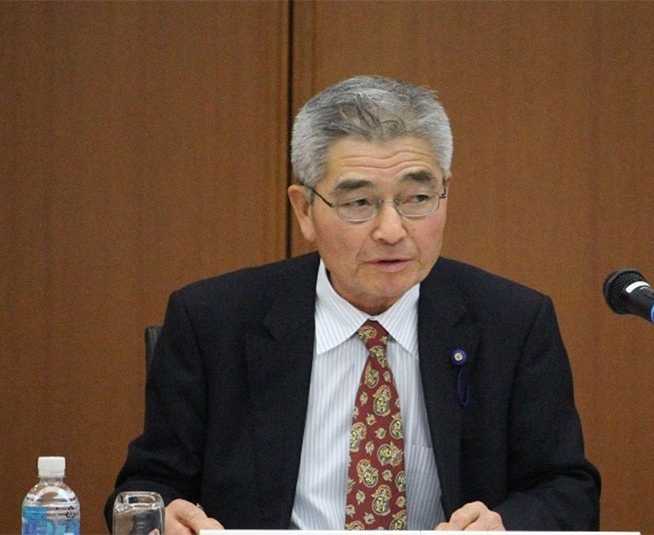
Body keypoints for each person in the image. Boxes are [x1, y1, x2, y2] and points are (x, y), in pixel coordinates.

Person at [105, 75, 601, 534]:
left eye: (418, 198)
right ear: (305, 210)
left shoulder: (512, 322)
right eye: (359, 203)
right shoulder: (213, 321)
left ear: (446, 193)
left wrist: (505, 526)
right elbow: (142, 490)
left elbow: (568, 492)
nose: (392, 230)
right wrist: (159, 518)